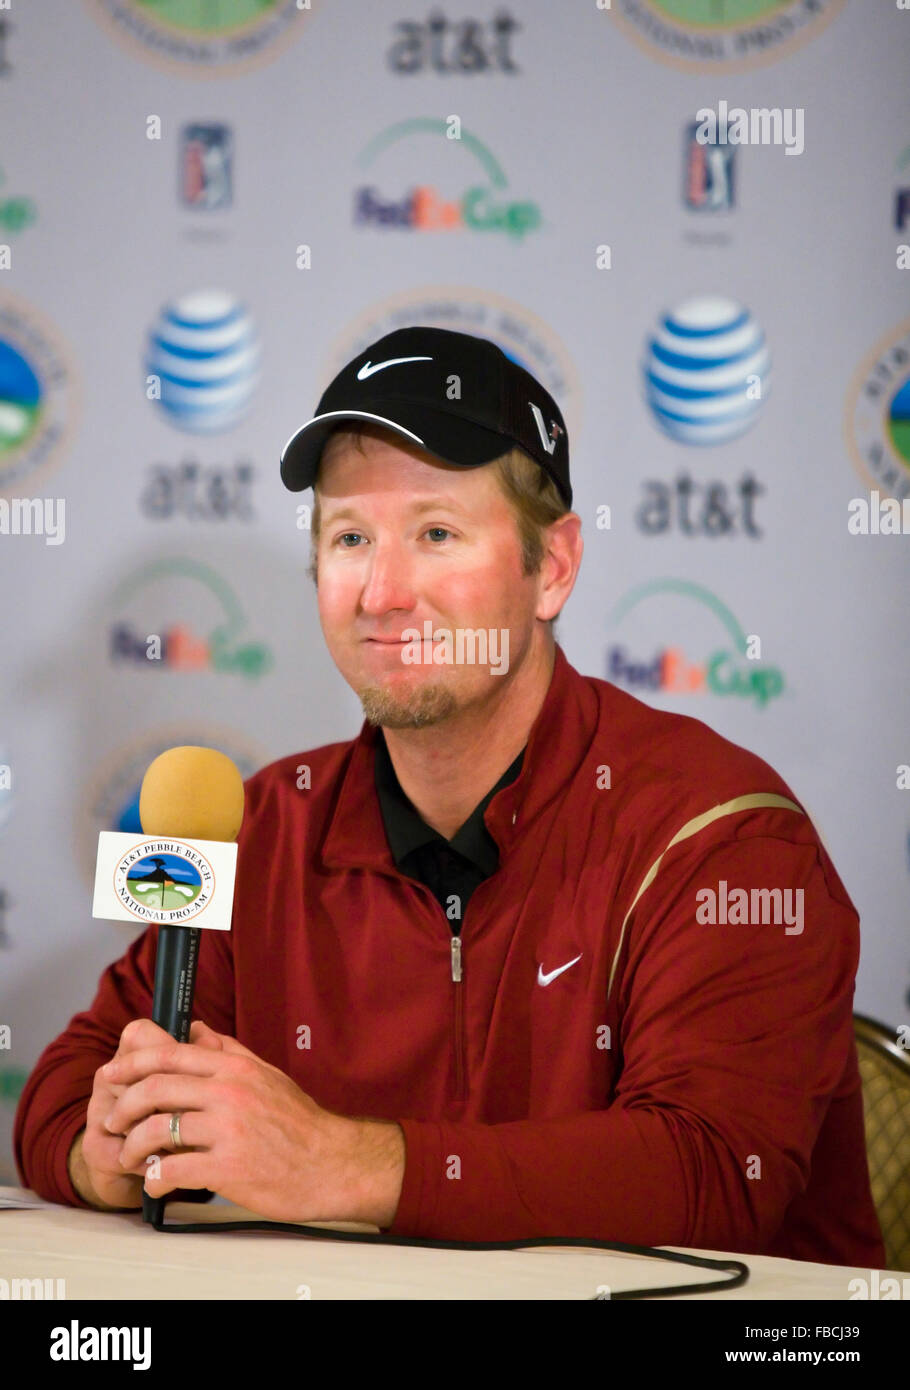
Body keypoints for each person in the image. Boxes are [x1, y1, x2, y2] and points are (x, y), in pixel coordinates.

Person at [15, 326, 885, 1266]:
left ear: (551, 567)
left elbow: (718, 1171)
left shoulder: (724, 833)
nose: (384, 592)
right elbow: (64, 1086)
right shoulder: (256, 824)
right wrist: (99, 1146)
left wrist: (345, 1164)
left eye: (436, 533)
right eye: (350, 537)